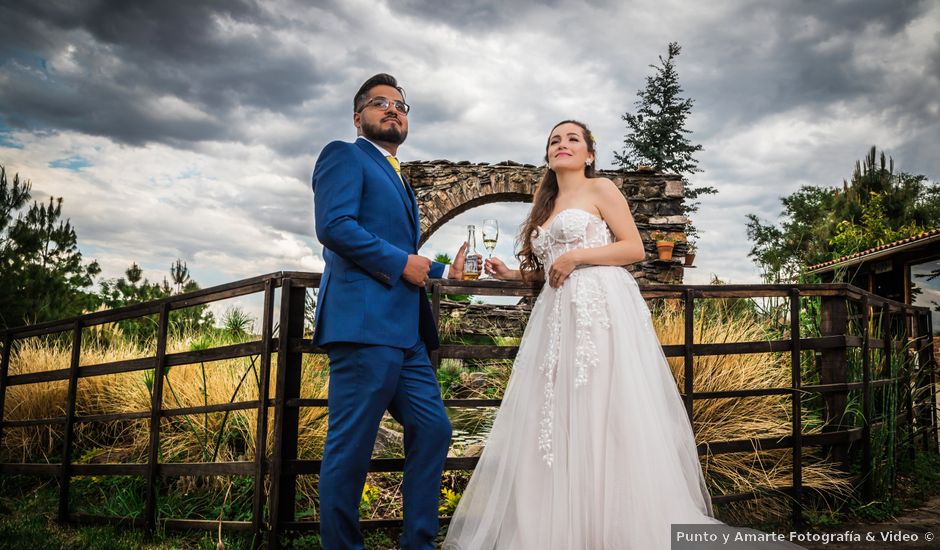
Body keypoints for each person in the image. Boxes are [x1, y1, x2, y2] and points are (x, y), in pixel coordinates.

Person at [442, 121, 803, 549]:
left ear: (589, 154)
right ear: (548, 155)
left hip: (599, 311)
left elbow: (634, 248)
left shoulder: (602, 190)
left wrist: (576, 256)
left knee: (602, 410)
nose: (563, 145)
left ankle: (612, 528)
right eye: (555, 140)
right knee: (554, 417)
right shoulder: (546, 204)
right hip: (556, 319)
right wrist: (512, 273)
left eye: (572, 139)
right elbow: (552, 270)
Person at [311, 73, 461, 550]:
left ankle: (417, 543)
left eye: (400, 105)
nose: (393, 110)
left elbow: (404, 253)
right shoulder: (344, 155)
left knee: (434, 429)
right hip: (363, 325)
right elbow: (334, 227)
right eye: (380, 103)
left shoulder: (397, 174)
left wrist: (443, 269)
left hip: (407, 334)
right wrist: (405, 263)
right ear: (359, 117)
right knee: (351, 448)